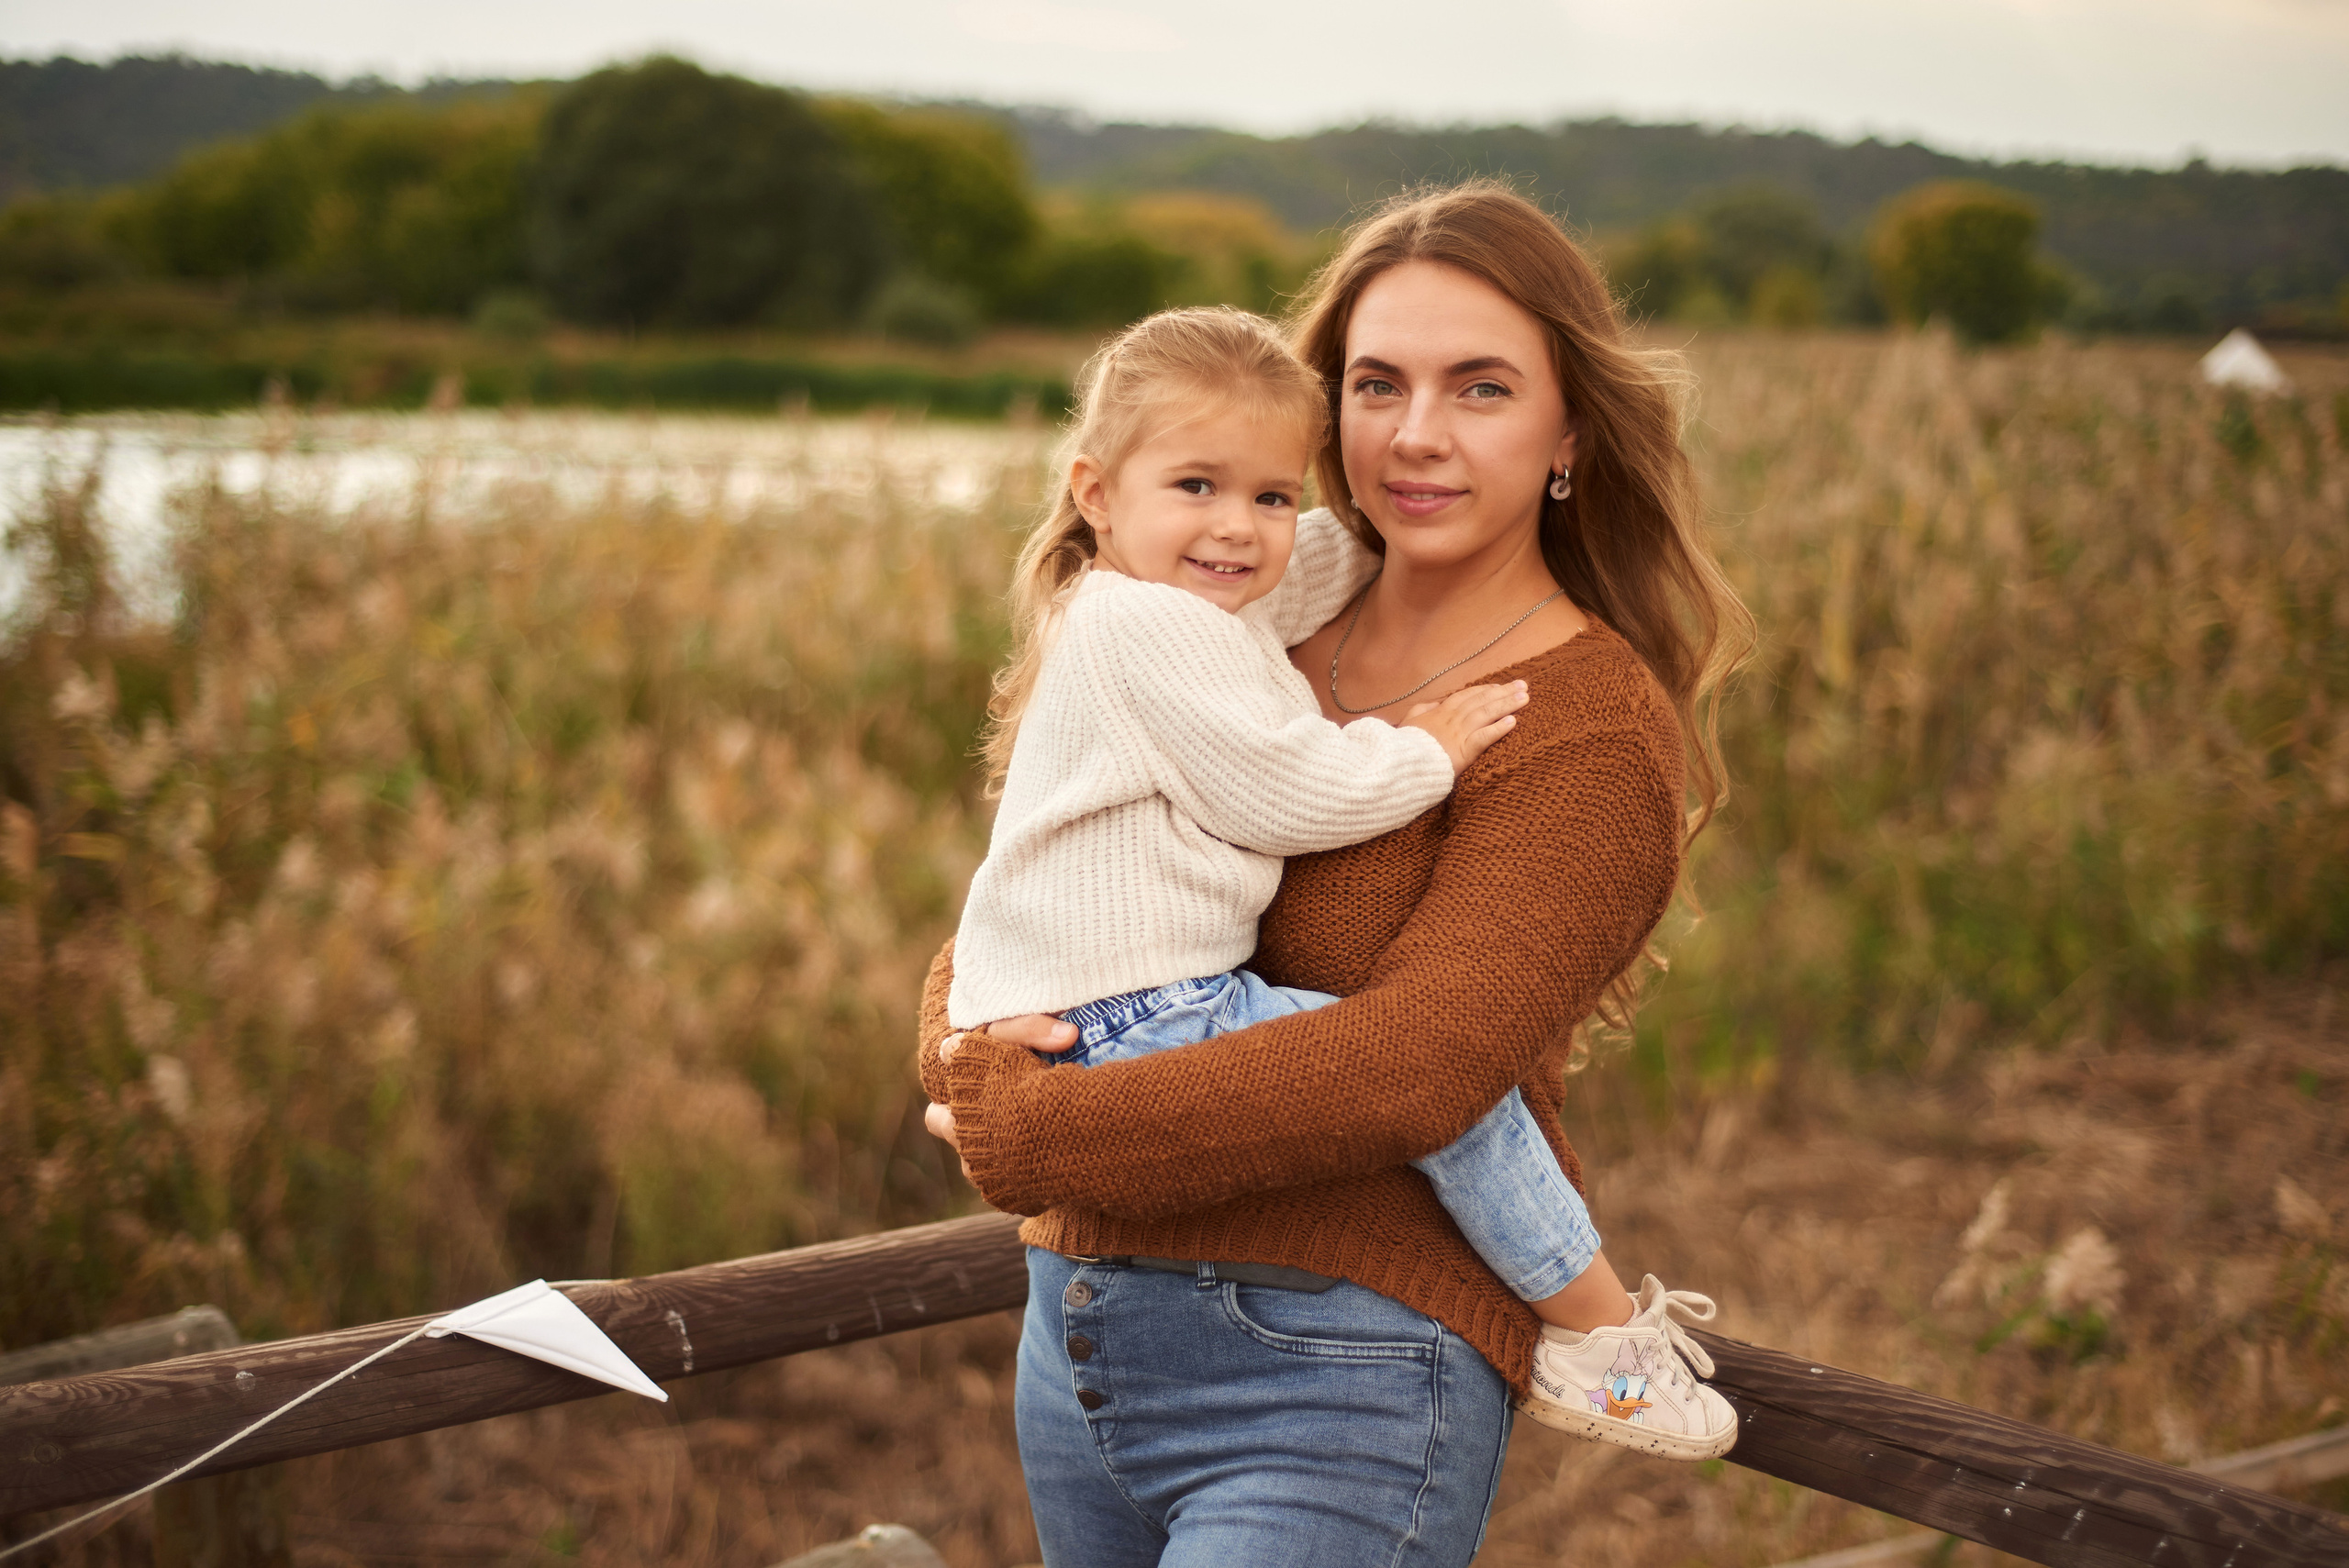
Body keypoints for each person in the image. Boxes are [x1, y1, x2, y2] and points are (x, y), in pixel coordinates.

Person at [921, 181, 1753, 1567]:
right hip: (1079, 1339)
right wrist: (958, 1047)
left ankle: (1601, 1331)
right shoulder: (1232, 616)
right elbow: (1045, 883)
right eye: (1377, 384)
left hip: (1338, 1378)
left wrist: (1030, 1129)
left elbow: (1420, 1066)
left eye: (1480, 388)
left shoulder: (1583, 728)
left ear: (1570, 434)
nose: (1416, 434)